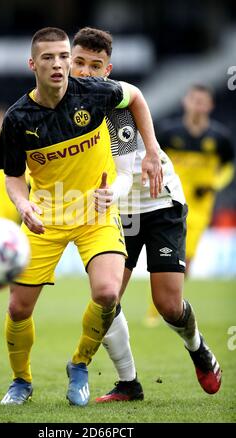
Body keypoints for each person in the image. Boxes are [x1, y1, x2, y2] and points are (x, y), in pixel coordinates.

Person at [0, 27, 162, 407]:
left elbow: (135, 96)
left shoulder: (94, 92)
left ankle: (80, 364)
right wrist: (23, 206)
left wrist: (150, 149)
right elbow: (13, 178)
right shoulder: (17, 118)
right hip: (45, 216)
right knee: (18, 307)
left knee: (107, 293)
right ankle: (21, 381)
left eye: (63, 57)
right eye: (48, 58)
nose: (58, 64)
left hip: (96, 213)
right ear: (32, 64)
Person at [71, 27, 222, 402]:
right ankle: (128, 384)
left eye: (95, 65)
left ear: (108, 70)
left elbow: (123, 174)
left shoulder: (114, 106)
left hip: (158, 203)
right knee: (104, 300)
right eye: (80, 63)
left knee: (169, 306)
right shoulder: (60, 106)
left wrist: (108, 195)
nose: (86, 72)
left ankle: (198, 347)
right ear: (68, 63)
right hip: (118, 210)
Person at [157, 84, 235, 275]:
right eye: (194, 100)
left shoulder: (220, 138)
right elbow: (154, 159)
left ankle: (168, 304)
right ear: (185, 102)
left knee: (186, 258)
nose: (197, 106)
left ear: (210, 106)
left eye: (202, 102)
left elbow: (228, 167)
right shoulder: (168, 132)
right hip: (169, 202)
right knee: (165, 255)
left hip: (200, 206)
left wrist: (213, 184)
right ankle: (161, 304)